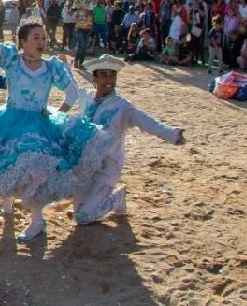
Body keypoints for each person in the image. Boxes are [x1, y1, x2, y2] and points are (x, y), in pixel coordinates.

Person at [0, 0, 112, 243]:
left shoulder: (51, 67)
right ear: (22, 42)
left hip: (39, 124)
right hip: (9, 120)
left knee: (34, 169)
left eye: (43, 38)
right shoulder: (10, 59)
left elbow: (72, 92)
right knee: (7, 163)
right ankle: (10, 199)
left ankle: (37, 220)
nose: (42, 42)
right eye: (36, 37)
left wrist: (57, 112)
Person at [70, 55, 184, 225]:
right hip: (85, 167)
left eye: (112, 75)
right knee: (77, 209)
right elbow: (72, 85)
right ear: (94, 78)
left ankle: (117, 197)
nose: (109, 79)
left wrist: (171, 133)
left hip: (107, 168)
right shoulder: (88, 97)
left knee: (83, 217)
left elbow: (146, 122)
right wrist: (64, 66)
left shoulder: (122, 107)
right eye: (104, 75)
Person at [71, 0, 93, 67]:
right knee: (81, 43)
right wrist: (75, 11)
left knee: (84, 46)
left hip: (87, 26)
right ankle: (76, 60)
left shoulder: (88, 2)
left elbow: (91, 13)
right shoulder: (76, 2)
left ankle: (81, 62)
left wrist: (90, 23)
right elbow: (72, 12)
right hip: (78, 26)